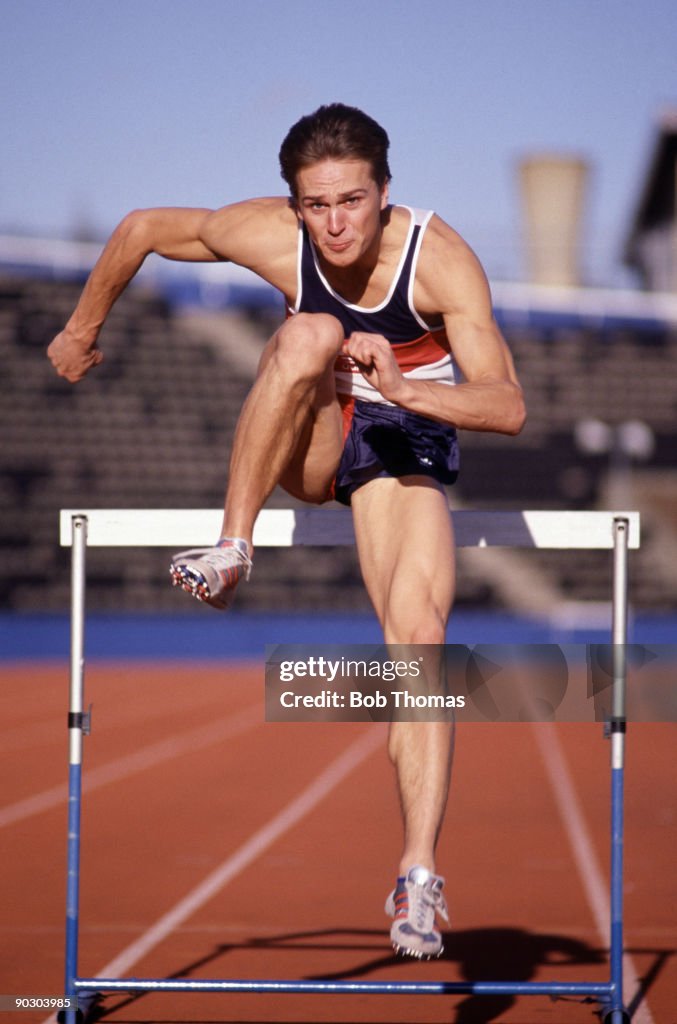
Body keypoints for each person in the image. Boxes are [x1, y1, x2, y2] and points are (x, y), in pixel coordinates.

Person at [48, 103, 525, 960]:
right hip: (311, 433)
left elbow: (506, 403)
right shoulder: (270, 235)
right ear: (292, 206)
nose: (336, 225)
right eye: (317, 206)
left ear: (384, 192)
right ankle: (234, 544)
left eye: (352, 201)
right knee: (308, 329)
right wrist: (82, 331)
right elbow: (143, 227)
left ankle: (417, 873)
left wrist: (410, 390)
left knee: (418, 640)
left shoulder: (440, 261)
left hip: (399, 435)